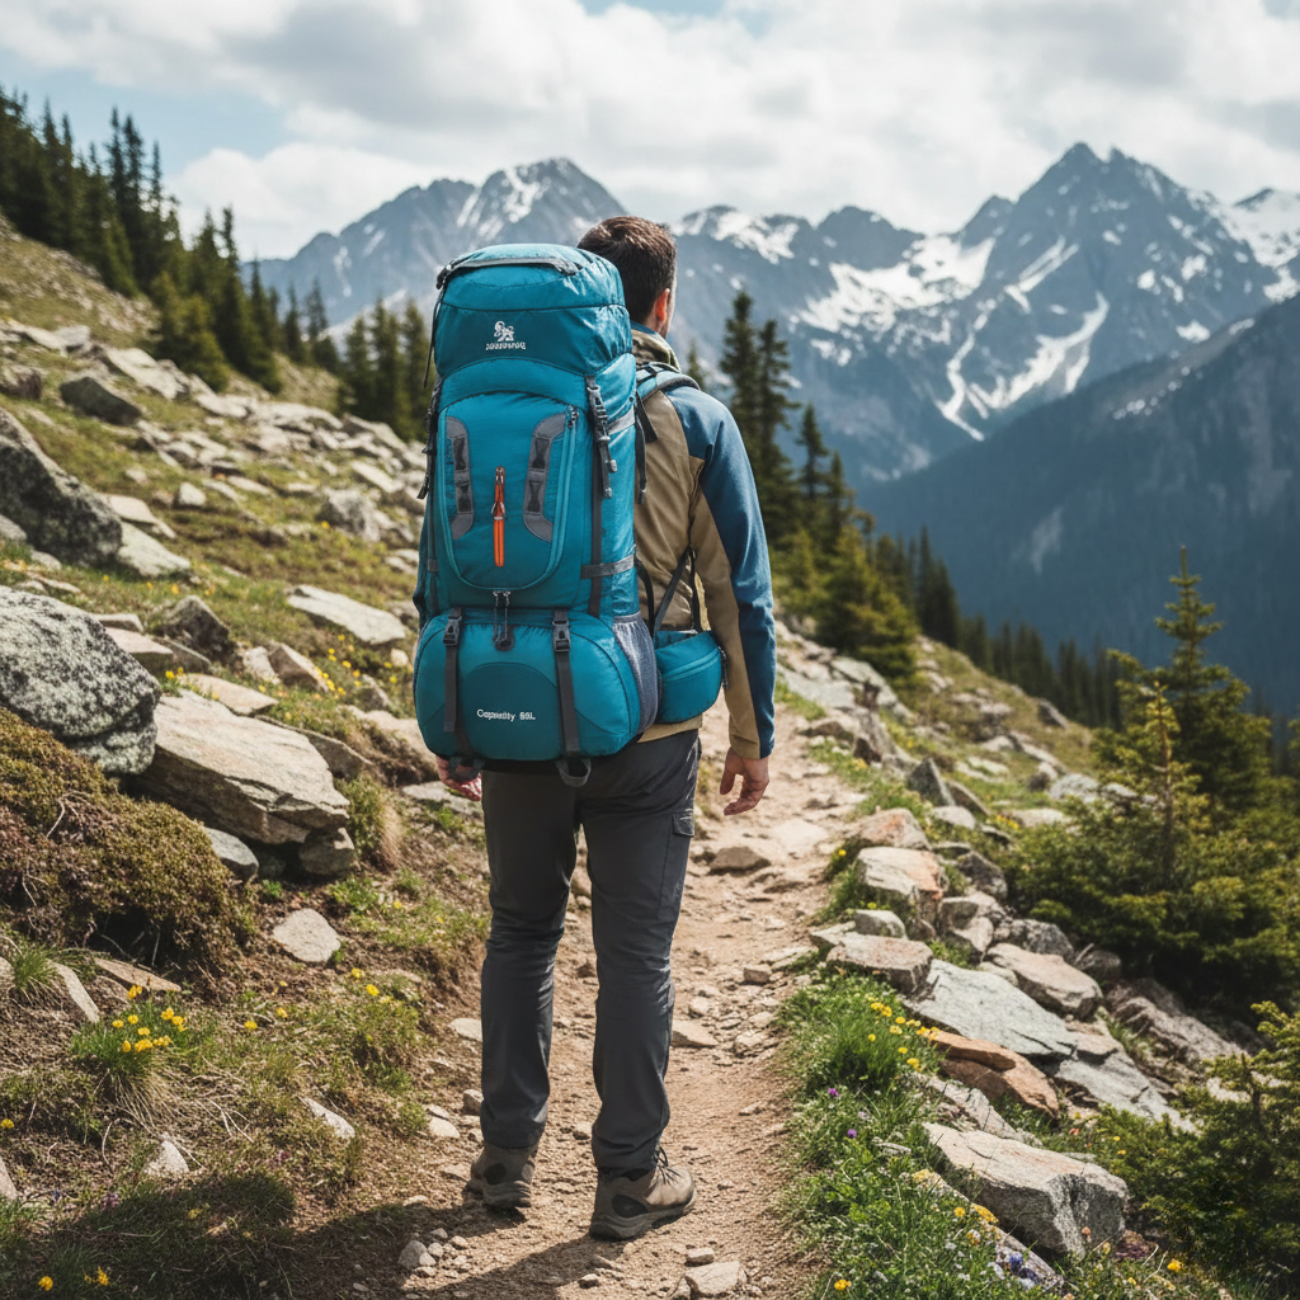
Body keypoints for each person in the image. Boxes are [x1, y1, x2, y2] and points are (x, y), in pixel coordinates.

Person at [433, 215, 776, 1241]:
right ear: (661, 304)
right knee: (635, 954)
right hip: (652, 732)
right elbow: (740, 594)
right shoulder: (695, 420)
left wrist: (455, 721)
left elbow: (441, 567)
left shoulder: (487, 401)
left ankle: (503, 1164)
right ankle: (628, 1179)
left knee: (519, 934)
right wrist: (753, 741)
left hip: (514, 711)